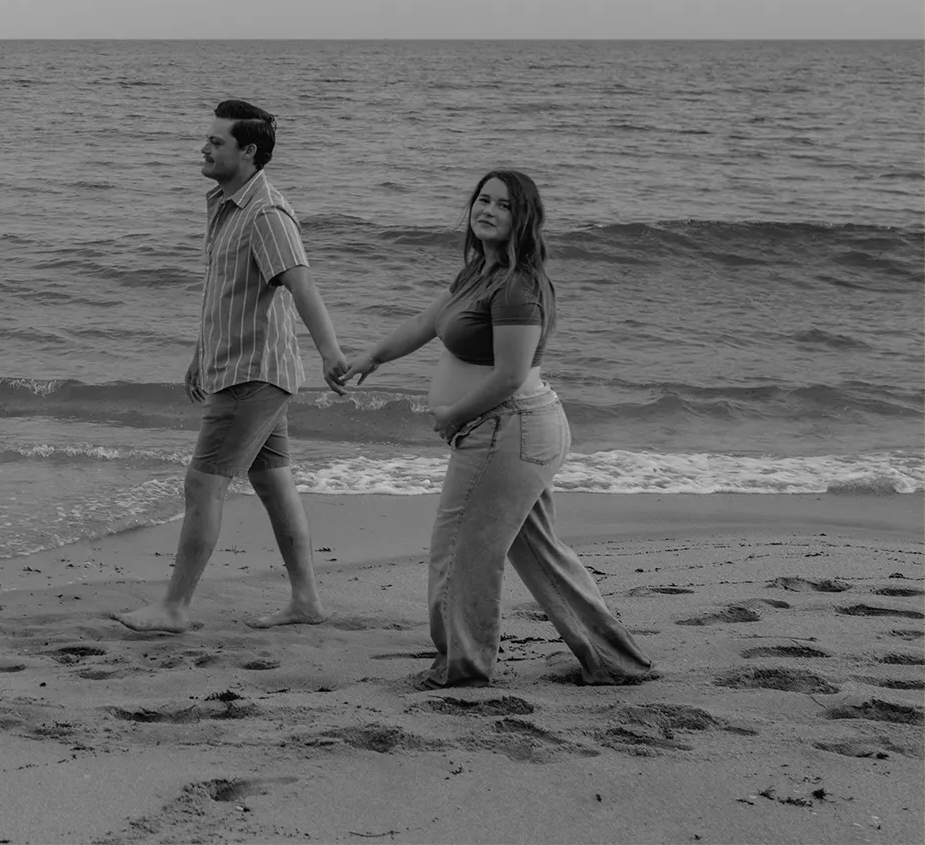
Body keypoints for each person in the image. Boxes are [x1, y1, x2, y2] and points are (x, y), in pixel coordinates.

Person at [341, 170, 654, 688]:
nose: (487, 210)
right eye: (481, 200)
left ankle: (463, 667)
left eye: (502, 205)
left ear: (522, 218)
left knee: (460, 549)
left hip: (509, 429)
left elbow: (510, 374)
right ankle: (615, 660)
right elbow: (425, 324)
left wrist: (454, 414)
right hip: (511, 431)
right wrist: (370, 358)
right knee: (539, 553)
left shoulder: (517, 286)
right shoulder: (477, 274)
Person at [116, 99, 348, 634]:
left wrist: (332, 354)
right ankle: (307, 601)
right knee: (274, 484)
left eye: (216, 141)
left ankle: (174, 608)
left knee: (203, 485)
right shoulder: (226, 203)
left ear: (248, 151)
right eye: (208, 138)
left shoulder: (265, 214)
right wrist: (201, 353)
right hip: (246, 366)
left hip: (253, 375)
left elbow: (301, 285)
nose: (204, 147)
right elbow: (228, 291)